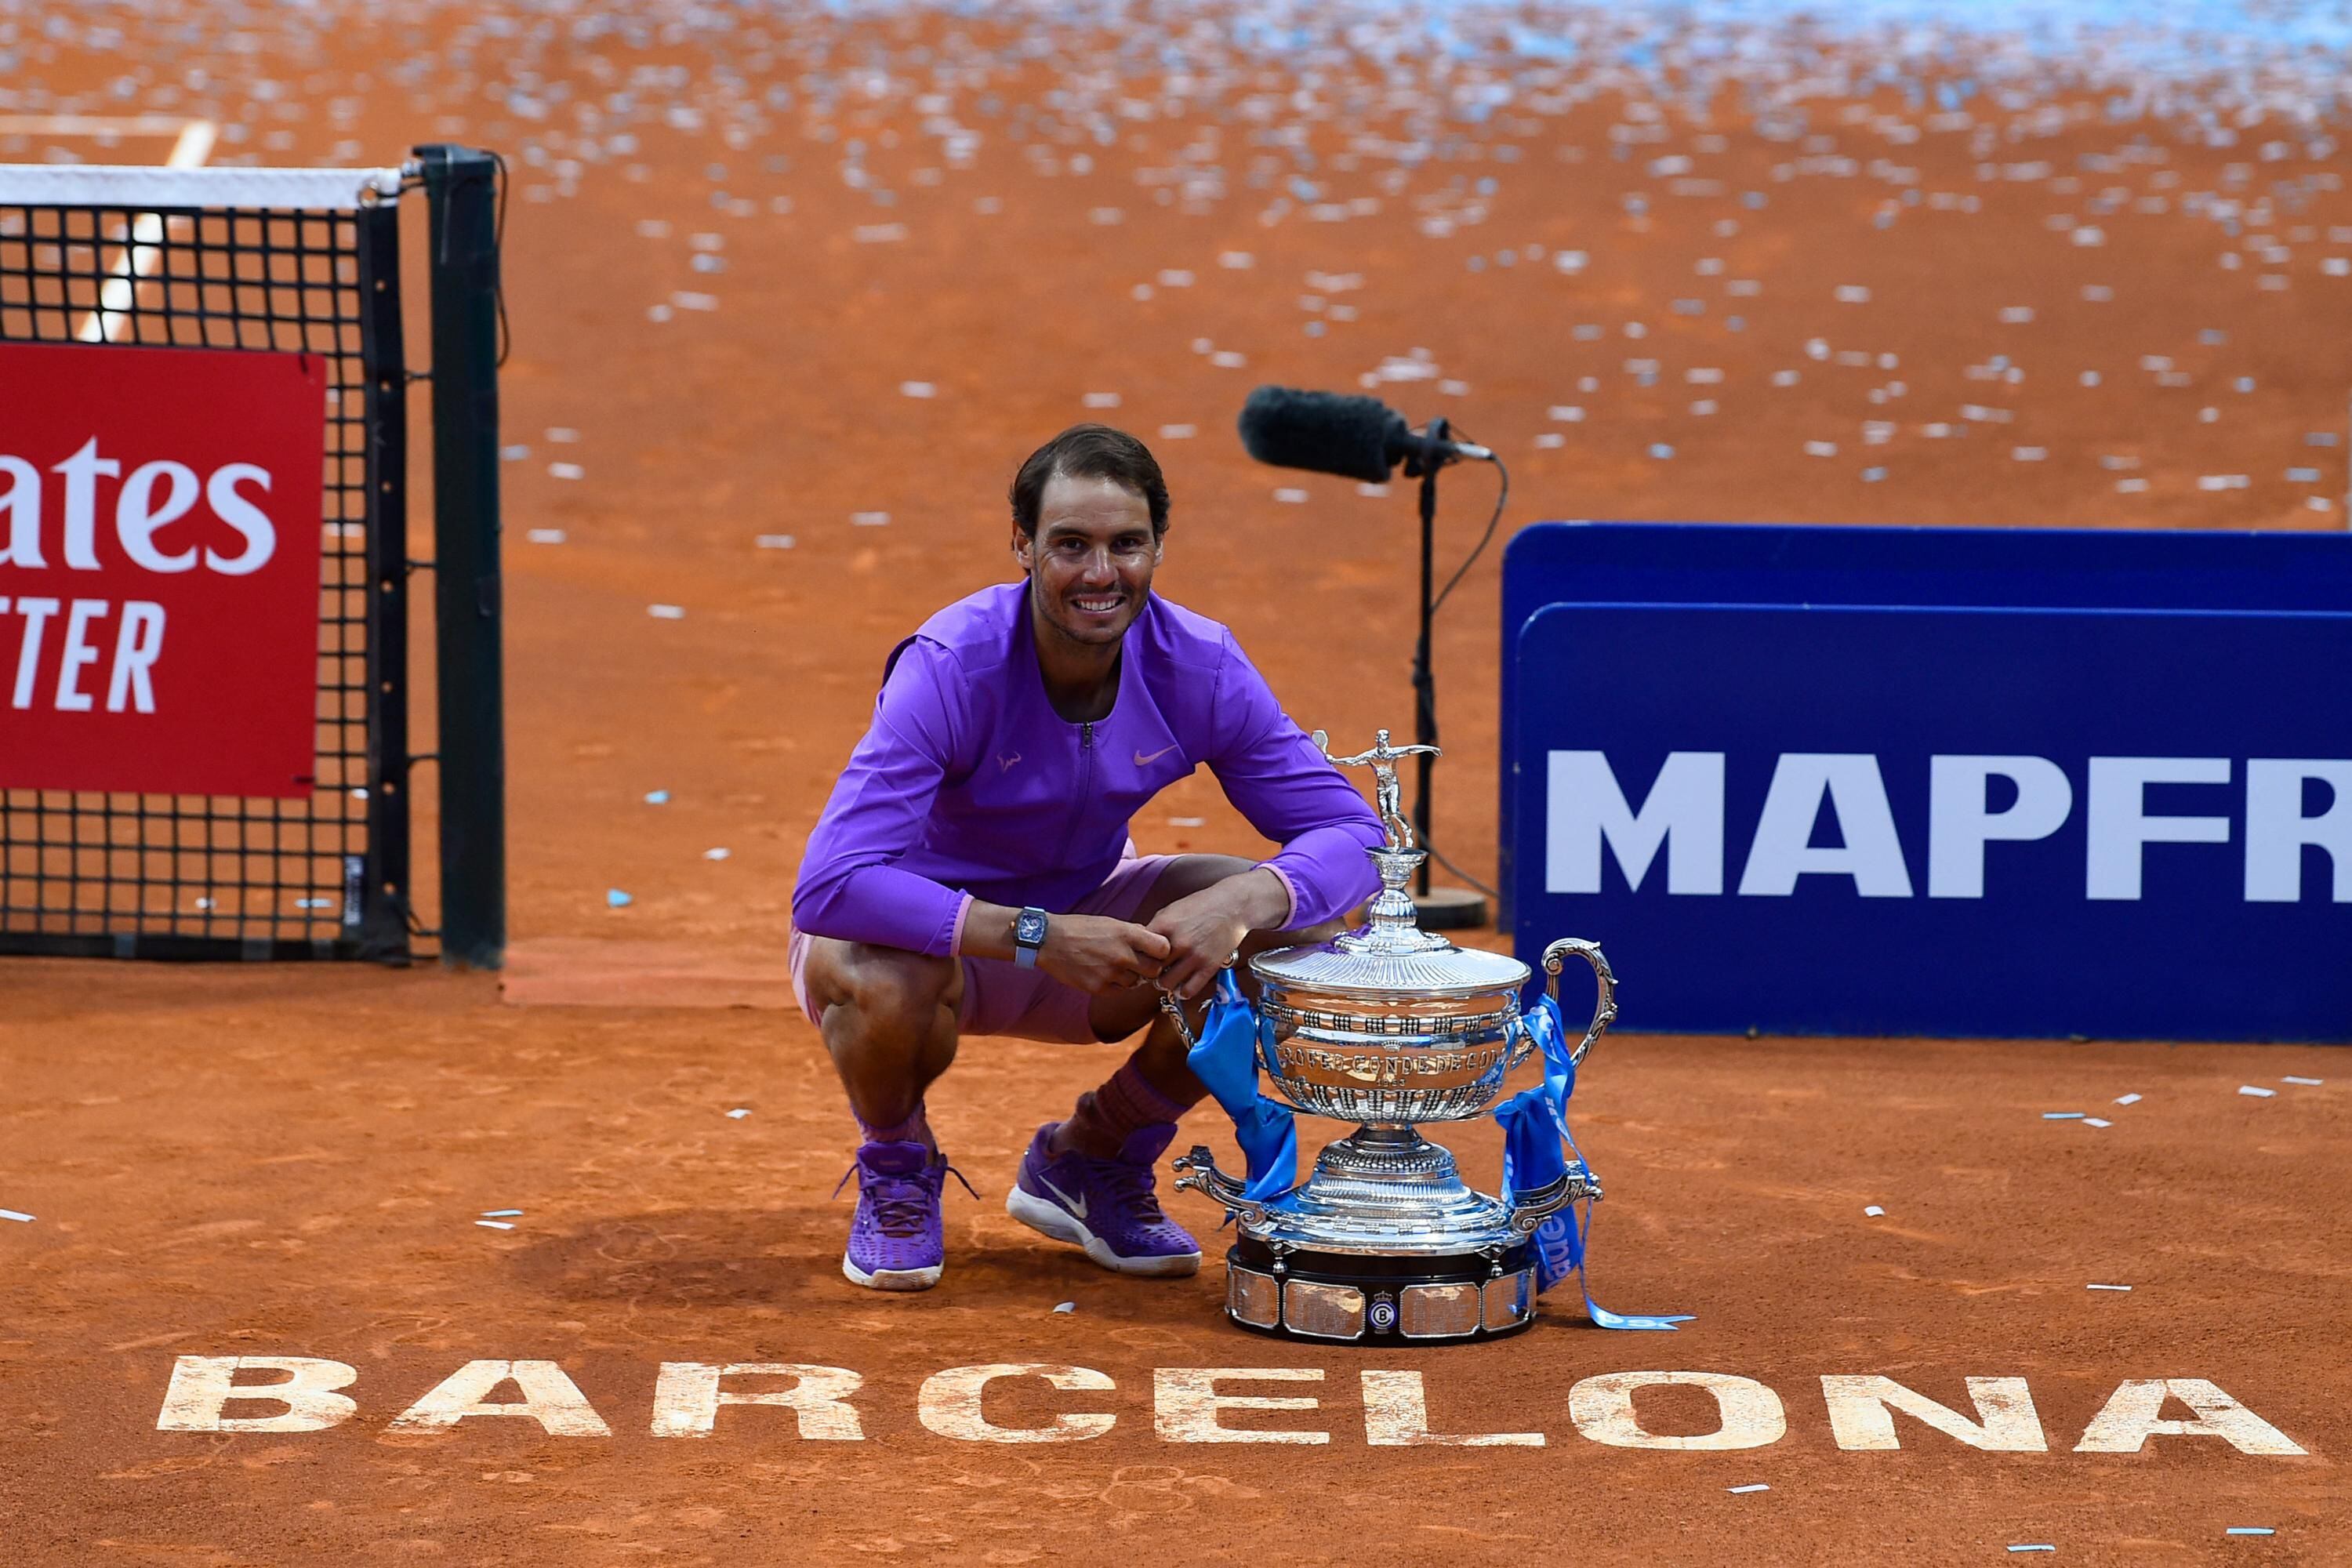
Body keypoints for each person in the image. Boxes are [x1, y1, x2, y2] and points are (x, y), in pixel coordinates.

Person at [790, 424, 1384, 1290]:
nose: (1100, 573)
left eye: (1125, 544)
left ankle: (1094, 1154)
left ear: (1158, 548)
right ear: (1024, 545)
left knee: (1296, 927)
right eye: (1071, 544)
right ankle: (897, 1160)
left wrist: (1247, 899)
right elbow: (831, 884)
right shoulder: (952, 665)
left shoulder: (1200, 665)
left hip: (1091, 929)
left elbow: (1360, 834)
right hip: (927, 943)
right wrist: (1036, 934)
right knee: (879, 983)